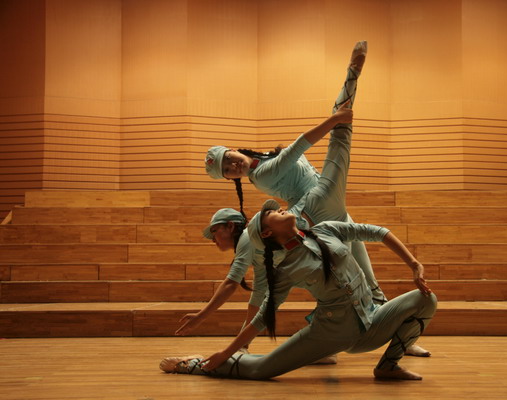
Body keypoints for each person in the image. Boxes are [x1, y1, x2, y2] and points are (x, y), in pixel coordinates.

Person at [176, 40, 431, 357]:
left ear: (233, 149)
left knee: (368, 280)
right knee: (325, 275)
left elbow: (253, 290)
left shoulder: (262, 163)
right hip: (312, 210)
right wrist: (334, 121)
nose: (232, 166)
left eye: (229, 159)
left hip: (327, 209)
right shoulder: (263, 175)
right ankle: (327, 336)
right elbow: (299, 146)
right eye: (227, 171)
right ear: (231, 180)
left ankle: (394, 339)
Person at [160, 199, 437, 380]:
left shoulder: (327, 230)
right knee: (260, 369)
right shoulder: (285, 269)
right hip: (329, 333)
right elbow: (264, 315)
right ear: (267, 233)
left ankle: (388, 367)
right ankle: (194, 365)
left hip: (372, 321)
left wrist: (413, 264)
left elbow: (377, 232)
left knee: (426, 299)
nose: (280, 209)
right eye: (272, 213)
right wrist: (227, 350)